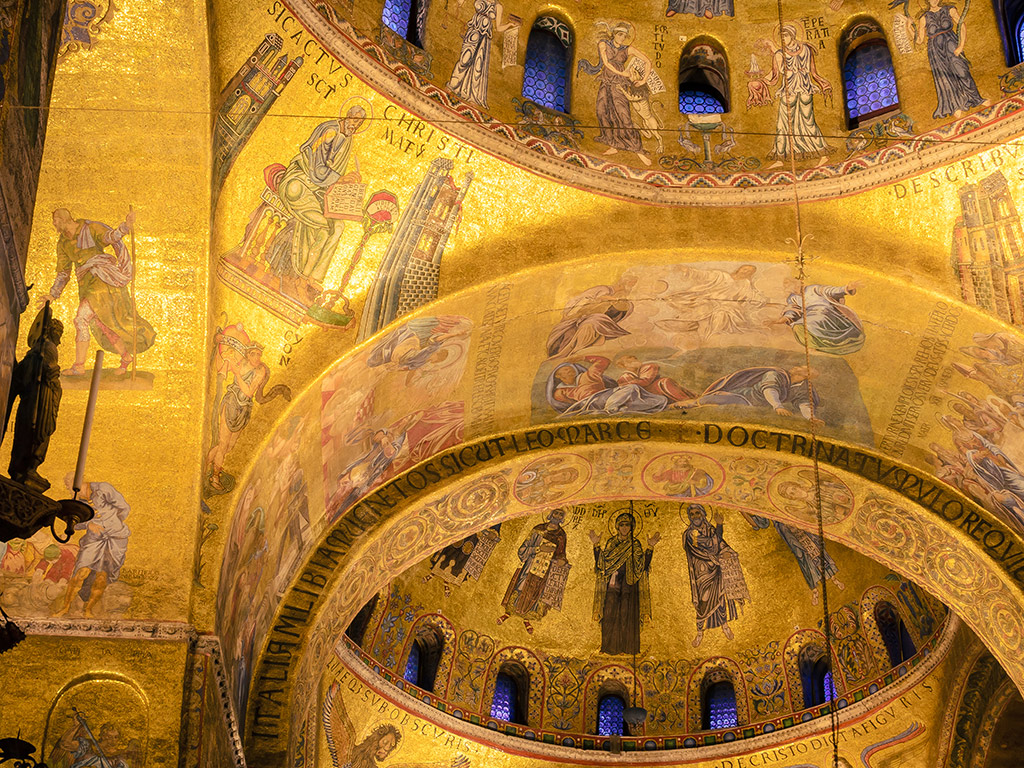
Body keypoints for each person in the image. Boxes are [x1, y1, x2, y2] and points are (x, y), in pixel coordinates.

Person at [265, 105, 365, 302]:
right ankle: (300, 281)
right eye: (354, 120)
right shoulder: (330, 131)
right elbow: (316, 170)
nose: (356, 125)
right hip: (298, 184)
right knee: (322, 228)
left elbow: (330, 174)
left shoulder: (347, 138)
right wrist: (340, 179)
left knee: (338, 226)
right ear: (347, 116)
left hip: (317, 190)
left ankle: (313, 279)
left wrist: (346, 182)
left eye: (360, 123)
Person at [45, 208, 156, 376]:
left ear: (64, 219)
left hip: (102, 279)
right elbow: (63, 272)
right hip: (86, 285)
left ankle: (79, 366)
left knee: (81, 319)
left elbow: (109, 237)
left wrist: (125, 227)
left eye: (56, 220)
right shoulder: (63, 243)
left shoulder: (89, 228)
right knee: (103, 325)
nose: (54, 223)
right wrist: (53, 294)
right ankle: (126, 357)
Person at [205, 323, 291, 492]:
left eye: (259, 354)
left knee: (229, 446)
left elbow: (249, 392)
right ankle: (214, 476)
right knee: (223, 444)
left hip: (244, 409)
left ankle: (208, 465)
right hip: (231, 403)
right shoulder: (239, 362)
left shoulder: (260, 371)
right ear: (247, 354)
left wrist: (237, 373)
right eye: (254, 354)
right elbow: (222, 367)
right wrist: (221, 350)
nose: (257, 357)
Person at [747, 23, 833, 168]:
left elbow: (813, 71)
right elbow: (774, 76)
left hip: (805, 89)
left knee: (808, 122)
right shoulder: (779, 54)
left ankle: (823, 155)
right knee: (783, 125)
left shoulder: (806, 50)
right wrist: (759, 82)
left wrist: (823, 83)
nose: (783, 39)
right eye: (781, 37)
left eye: (785, 35)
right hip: (788, 92)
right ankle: (780, 158)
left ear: (792, 35)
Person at [577, 22, 660, 166]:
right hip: (606, 81)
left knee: (623, 115)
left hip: (620, 84)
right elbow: (606, 63)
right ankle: (613, 144)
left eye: (625, 36)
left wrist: (643, 80)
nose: (622, 38)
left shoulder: (628, 49)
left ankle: (638, 150)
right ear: (614, 34)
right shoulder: (603, 44)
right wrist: (622, 73)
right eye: (620, 35)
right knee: (603, 111)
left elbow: (648, 61)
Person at [52, 477, 130, 618]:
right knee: (81, 573)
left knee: (102, 578)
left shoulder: (103, 489)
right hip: (94, 539)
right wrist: (89, 524)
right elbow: (74, 524)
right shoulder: (77, 503)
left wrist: (112, 524)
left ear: (78, 482)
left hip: (116, 538)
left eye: (69, 486)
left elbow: (124, 508)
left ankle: (88, 610)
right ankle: (65, 608)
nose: (69, 489)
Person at [4, 306, 62, 490]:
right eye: (58, 333)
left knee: (31, 432)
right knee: (35, 432)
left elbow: (20, 377)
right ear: (50, 331)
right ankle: (29, 468)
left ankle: (23, 467)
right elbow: (48, 373)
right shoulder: (47, 348)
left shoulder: (41, 350)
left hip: (38, 400)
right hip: (39, 400)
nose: (60, 339)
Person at [589, 511, 660, 655]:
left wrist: (650, 548)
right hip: (613, 583)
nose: (624, 528)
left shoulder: (635, 544)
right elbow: (602, 564)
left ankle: (628, 649)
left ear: (632, 527)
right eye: (622, 525)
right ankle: (609, 648)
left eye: (627, 525)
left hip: (629, 584)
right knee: (610, 612)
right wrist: (596, 545)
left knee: (627, 614)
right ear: (617, 526)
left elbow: (642, 566)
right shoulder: (611, 543)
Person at [682, 503, 748, 647]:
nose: (695, 516)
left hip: (716, 569)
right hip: (702, 572)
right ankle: (700, 632)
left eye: (697, 513)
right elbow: (704, 547)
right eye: (692, 514)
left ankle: (725, 626)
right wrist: (716, 555)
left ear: (703, 514)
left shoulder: (710, 529)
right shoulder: (690, 534)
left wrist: (727, 551)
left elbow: (720, 544)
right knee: (703, 601)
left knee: (720, 597)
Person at [911, 0, 987, 119]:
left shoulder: (950, 9)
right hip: (935, 51)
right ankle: (955, 106)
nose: (934, 0)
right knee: (945, 78)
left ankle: (976, 98)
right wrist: (909, 27)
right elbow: (919, 40)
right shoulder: (924, 17)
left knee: (962, 71)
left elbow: (962, 25)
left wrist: (961, 46)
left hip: (952, 44)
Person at [497, 509, 569, 633]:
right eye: (556, 513)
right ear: (551, 514)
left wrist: (562, 561)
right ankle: (508, 612)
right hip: (530, 565)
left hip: (546, 569)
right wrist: (539, 549)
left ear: (563, 518)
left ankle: (527, 618)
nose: (557, 516)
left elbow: (561, 554)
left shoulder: (561, 535)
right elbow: (522, 549)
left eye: (560, 514)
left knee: (536, 591)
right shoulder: (538, 529)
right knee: (521, 586)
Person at [691, 365, 822, 423]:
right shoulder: (775, 374)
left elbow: (804, 402)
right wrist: (778, 406)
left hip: (756, 405)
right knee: (708, 400)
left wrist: (811, 417)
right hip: (745, 397)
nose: (796, 367)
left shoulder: (803, 386)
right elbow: (769, 390)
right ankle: (686, 404)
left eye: (809, 376)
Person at [546, 276, 636, 359]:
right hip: (577, 315)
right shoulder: (604, 290)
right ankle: (567, 352)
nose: (631, 285)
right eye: (631, 282)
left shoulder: (623, 301)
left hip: (587, 318)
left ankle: (575, 350)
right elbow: (583, 301)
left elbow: (618, 313)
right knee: (571, 332)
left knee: (592, 323)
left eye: (633, 284)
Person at [446, 0, 515, 107]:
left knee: (478, 66)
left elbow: (499, 27)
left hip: (484, 36)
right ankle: (452, 85)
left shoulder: (498, 6)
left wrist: (510, 25)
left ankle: (473, 97)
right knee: (465, 59)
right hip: (473, 30)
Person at [778, 280, 864, 355]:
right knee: (797, 327)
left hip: (825, 311)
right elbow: (792, 310)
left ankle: (831, 341)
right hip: (809, 315)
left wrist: (846, 288)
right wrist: (784, 319)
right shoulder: (792, 298)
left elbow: (831, 291)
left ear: (797, 283)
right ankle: (815, 346)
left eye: (791, 285)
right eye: (787, 287)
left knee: (815, 320)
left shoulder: (813, 288)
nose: (791, 289)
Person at [615, 354, 694, 402]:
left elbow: (646, 381)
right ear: (626, 365)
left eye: (636, 359)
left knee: (665, 381)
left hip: (653, 389)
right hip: (641, 395)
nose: (636, 361)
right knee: (664, 382)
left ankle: (686, 399)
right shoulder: (624, 377)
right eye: (631, 361)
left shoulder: (648, 367)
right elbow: (620, 389)